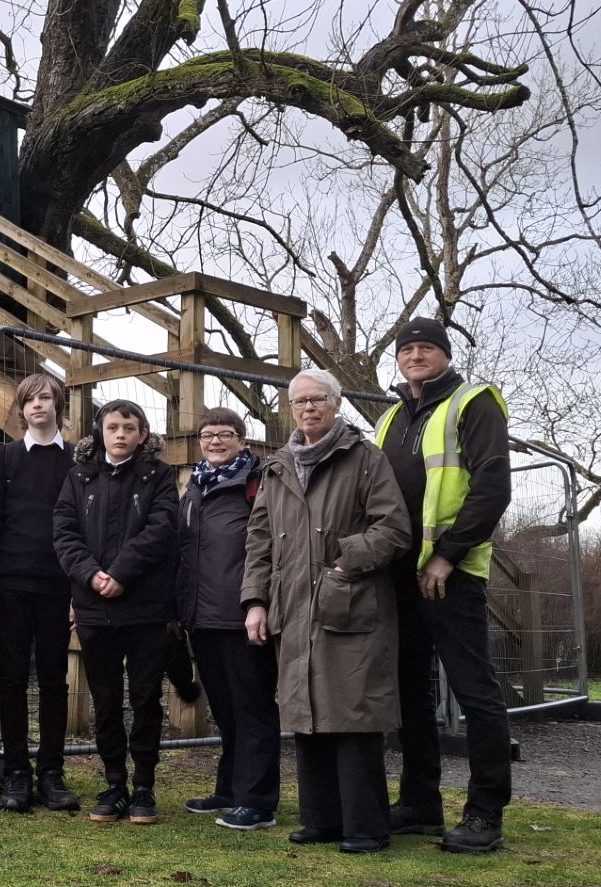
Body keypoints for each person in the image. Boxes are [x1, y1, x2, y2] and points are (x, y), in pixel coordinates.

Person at [241, 368, 411, 853]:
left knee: (352, 713)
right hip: (290, 605)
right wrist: (255, 600)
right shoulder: (277, 467)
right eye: (299, 402)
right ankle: (322, 819)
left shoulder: (364, 458)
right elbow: (257, 541)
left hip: (350, 601)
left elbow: (394, 528)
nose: (308, 408)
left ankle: (366, 825)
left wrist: (342, 562)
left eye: (317, 399)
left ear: (336, 404)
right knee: (306, 711)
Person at [375, 317, 515, 853]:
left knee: (474, 691)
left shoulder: (473, 402)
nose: (415, 355)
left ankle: (484, 814)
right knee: (410, 690)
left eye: (426, 347)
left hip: (449, 575)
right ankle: (420, 804)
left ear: (445, 354)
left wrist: (447, 557)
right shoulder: (390, 418)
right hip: (398, 573)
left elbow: (492, 488)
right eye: (407, 348)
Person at [54, 399, 178, 825]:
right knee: (105, 699)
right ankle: (113, 783)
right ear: (100, 433)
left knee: (145, 698)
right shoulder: (78, 478)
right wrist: (92, 576)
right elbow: (64, 532)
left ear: (142, 434)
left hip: (144, 607)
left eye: (129, 427)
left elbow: (162, 529)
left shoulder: (159, 477)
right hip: (93, 608)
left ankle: (144, 786)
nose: (121, 434)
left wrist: (121, 573)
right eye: (113, 427)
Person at [175, 407, 279, 831]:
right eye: (207, 435)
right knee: (225, 709)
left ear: (242, 439)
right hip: (201, 617)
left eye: (225, 434)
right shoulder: (195, 486)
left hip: (242, 615)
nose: (215, 441)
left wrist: (259, 602)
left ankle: (258, 801)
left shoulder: (256, 483)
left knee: (253, 707)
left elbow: (267, 546)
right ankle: (231, 788)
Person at [0, 373, 81, 814]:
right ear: (20, 409)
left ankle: (52, 773)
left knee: (55, 682)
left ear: (58, 404)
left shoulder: (79, 461)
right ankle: (17, 773)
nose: (38, 405)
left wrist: (81, 590)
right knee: (13, 681)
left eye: (46, 398)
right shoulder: (1, 460)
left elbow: (85, 530)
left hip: (61, 587)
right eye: (29, 400)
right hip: (12, 586)